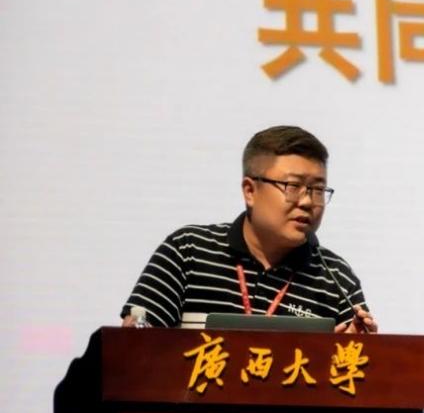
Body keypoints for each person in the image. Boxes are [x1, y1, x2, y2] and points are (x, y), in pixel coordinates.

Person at [120, 125, 377, 334]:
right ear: (250, 191)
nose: (308, 202)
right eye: (293, 186)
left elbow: (360, 371)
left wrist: (353, 350)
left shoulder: (336, 279)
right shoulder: (187, 251)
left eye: (318, 189)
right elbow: (136, 348)